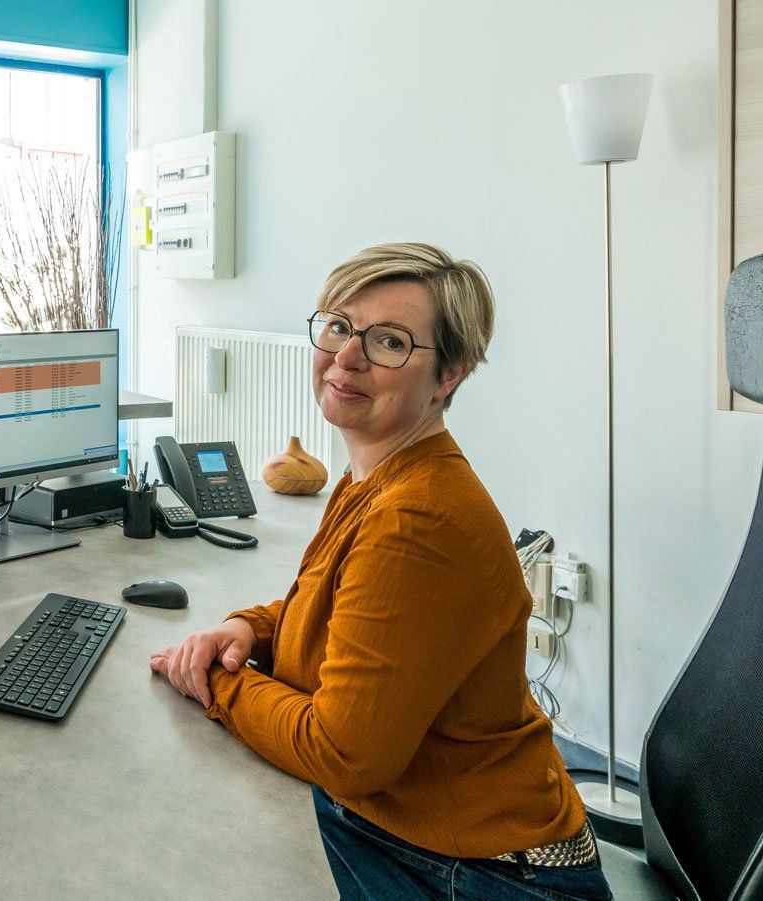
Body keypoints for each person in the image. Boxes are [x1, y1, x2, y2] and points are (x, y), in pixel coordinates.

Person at [149, 243, 610, 899]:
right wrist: (249, 628)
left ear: (449, 375)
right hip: (427, 836)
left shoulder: (418, 519)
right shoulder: (377, 475)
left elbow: (343, 754)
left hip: (481, 872)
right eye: (339, 326)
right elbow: (343, 609)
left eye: (389, 342)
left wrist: (216, 683)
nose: (346, 357)